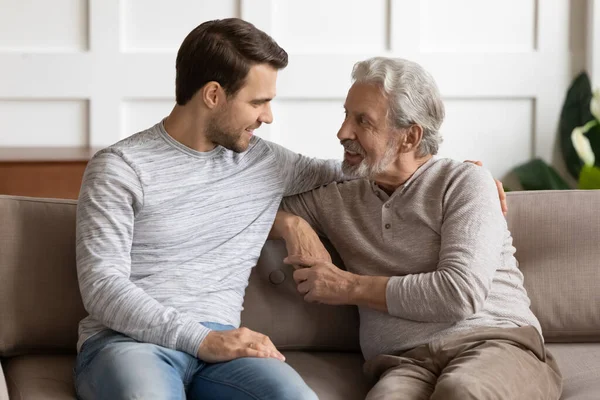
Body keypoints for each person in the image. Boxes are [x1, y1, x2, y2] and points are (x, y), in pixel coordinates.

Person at [73, 18, 340, 400]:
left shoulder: (266, 163)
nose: (268, 117)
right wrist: (204, 340)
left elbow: (351, 173)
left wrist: (447, 171)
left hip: (224, 349)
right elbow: (102, 287)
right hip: (128, 343)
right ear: (213, 94)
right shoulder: (121, 167)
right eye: (258, 102)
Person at [273, 57, 563, 400]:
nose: (342, 132)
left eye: (362, 121)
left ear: (410, 137)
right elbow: (243, 210)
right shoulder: (337, 198)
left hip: (495, 343)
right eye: (346, 115)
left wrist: (348, 287)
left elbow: (459, 293)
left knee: (462, 391)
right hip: (404, 363)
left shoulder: (464, 183)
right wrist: (290, 223)